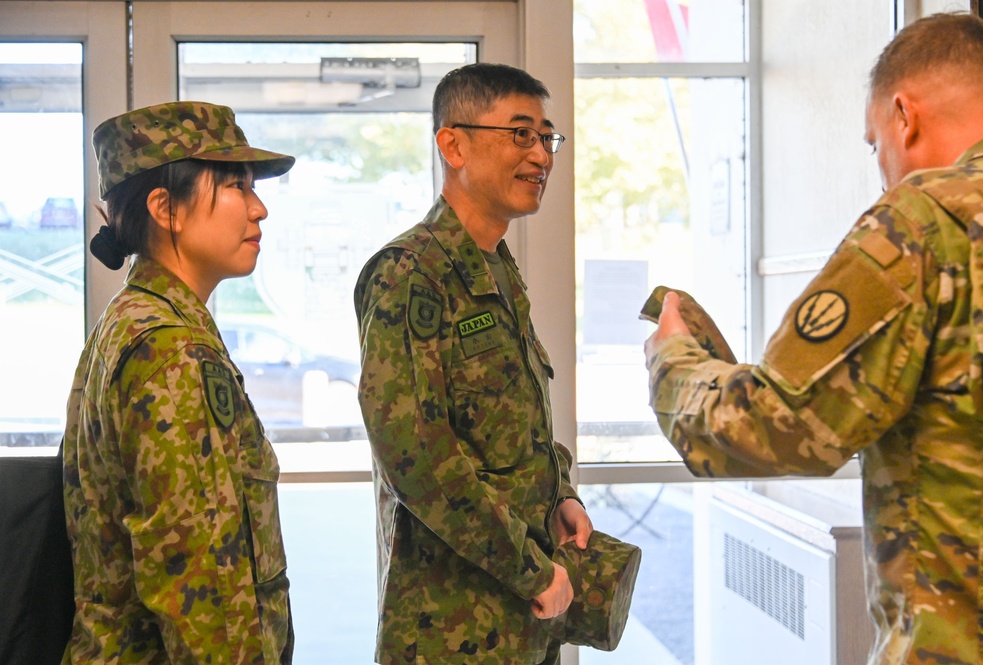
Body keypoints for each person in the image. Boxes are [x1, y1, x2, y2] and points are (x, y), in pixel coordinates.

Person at [645, 12, 983, 665]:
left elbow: (779, 422)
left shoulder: (925, 220)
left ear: (903, 115)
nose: (882, 167)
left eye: (873, 145)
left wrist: (673, 356)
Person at [354, 62, 592, 665]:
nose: (541, 155)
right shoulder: (411, 274)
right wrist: (530, 570)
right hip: (452, 630)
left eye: (547, 136)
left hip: (524, 616)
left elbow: (516, 423)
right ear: (452, 144)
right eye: (520, 133)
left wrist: (560, 495)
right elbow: (418, 459)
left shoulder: (497, 267)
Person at [62, 101, 296, 664]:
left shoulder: (135, 321)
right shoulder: (167, 346)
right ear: (165, 208)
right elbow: (202, 589)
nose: (259, 208)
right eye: (236, 186)